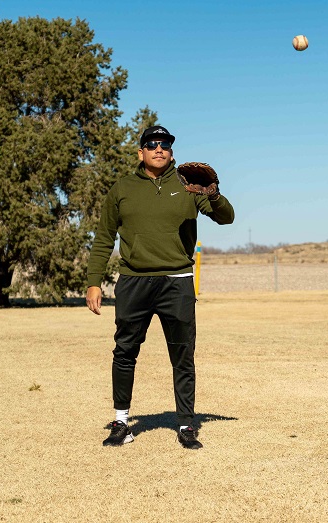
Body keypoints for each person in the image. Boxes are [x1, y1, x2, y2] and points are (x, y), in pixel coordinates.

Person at [85, 125, 235, 450]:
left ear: (171, 151)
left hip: (177, 282)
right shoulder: (122, 188)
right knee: (124, 352)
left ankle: (186, 425)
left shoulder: (189, 187)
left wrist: (214, 195)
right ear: (140, 152)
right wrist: (94, 281)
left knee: (183, 355)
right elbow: (102, 238)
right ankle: (121, 422)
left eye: (165, 144)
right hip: (133, 281)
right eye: (152, 144)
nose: (159, 148)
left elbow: (227, 218)